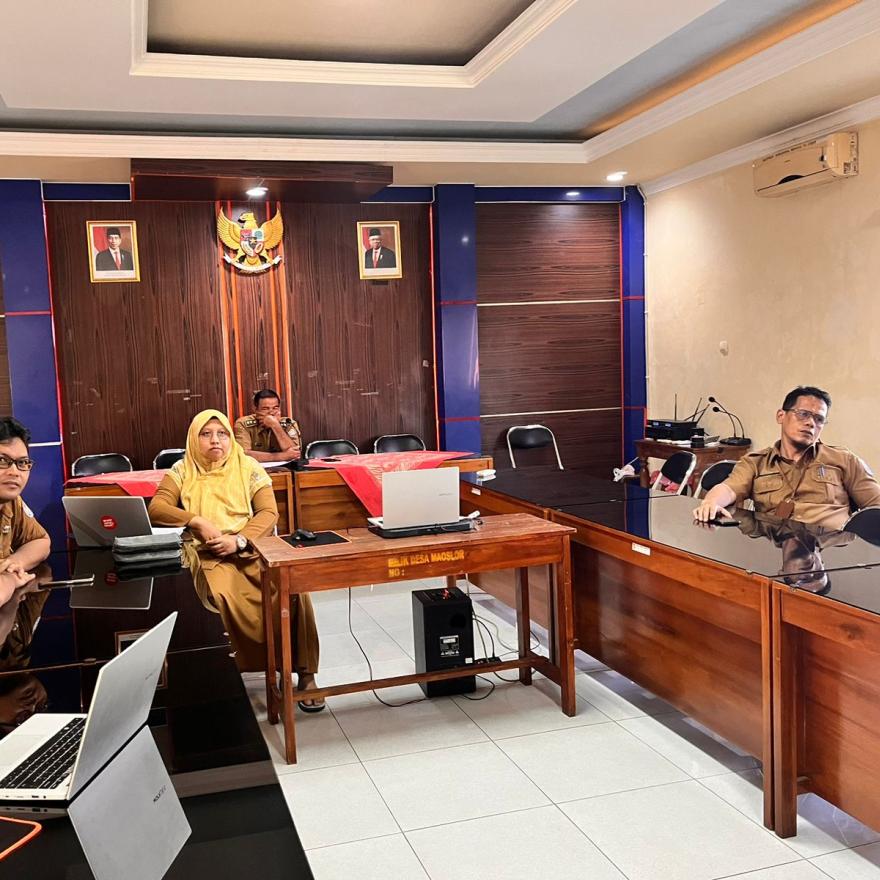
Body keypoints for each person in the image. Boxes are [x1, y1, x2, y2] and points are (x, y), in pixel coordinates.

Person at [148, 410, 322, 709]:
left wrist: (239, 540)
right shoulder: (182, 469)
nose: (215, 440)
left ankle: (304, 673)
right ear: (193, 439)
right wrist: (196, 521)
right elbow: (157, 508)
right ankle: (234, 671)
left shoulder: (248, 466)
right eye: (206, 434)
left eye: (222, 434)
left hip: (250, 548)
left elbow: (268, 512)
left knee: (293, 590)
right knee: (223, 595)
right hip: (209, 554)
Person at [694, 386, 880, 530]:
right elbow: (728, 489)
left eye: (819, 419)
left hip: (829, 552)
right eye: (803, 414)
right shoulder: (756, 462)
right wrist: (711, 503)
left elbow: (876, 504)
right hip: (774, 548)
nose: (810, 423)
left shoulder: (844, 460)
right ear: (781, 416)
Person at [0, 417, 51, 576]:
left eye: (22, 463)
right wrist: (10, 579)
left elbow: (41, 542)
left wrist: (15, 563)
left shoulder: (12, 502)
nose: (14, 472)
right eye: (2, 460)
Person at [233, 389, 302, 462]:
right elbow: (244, 454)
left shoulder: (289, 423)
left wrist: (276, 425)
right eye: (265, 409)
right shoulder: (243, 423)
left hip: (286, 468)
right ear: (256, 409)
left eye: (275, 408)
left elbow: (295, 454)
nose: (271, 413)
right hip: (254, 468)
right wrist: (282, 456)